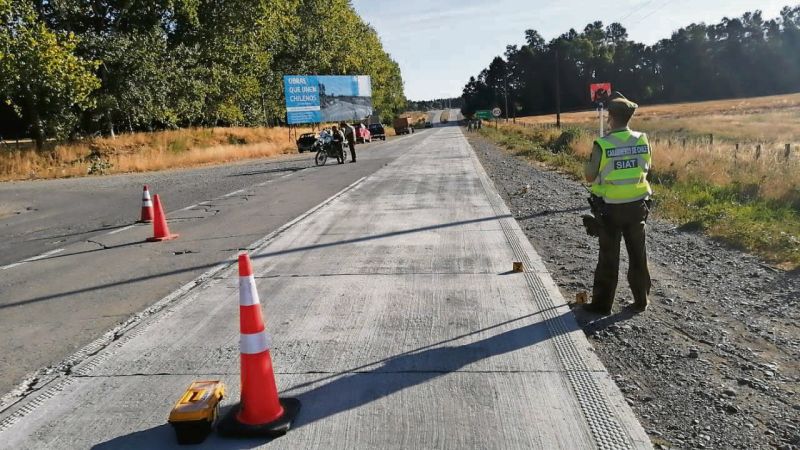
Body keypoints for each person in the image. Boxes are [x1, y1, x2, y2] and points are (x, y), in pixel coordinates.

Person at [583, 91, 652, 315]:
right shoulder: (642, 140)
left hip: (609, 209)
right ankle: (641, 301)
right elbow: (646, 169)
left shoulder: (603, 144)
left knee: (608, 257)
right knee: (638, 255)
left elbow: (590, 176)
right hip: (637, 207)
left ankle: (602, 305)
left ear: (610, 117)